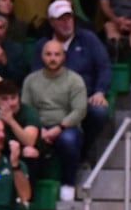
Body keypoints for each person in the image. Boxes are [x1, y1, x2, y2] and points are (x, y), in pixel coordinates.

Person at [35, 0, 111, 150]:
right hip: (54, 103)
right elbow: (36, 78)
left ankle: (84, 149)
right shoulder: (43, 45)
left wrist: (99, 91)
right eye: (61, 19)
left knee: (99, 112)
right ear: (51, 22)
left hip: (85, 98)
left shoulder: (88, 39)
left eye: (69, 18)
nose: (66, 23)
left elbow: (104, 66)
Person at [21, 39, 88, 201]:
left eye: (57, 54)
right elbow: (26, 109)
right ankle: (26, 195)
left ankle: (68, 184)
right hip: (38, 127)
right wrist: (38, 129)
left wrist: (58, 128)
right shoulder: (31, 80)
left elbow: (80, 110)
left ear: (63, 56)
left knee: (68, 140)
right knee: (23, 144)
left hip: (66, 127)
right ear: (41, 56)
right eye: (48, 54)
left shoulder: (75, 80)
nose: (53, 58)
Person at [0, 80, 41, 181]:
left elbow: (29, 142)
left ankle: (27, 194)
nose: (10, 103)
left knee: (29, 151)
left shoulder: (29, 112)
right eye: (5, 99)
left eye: (13, 98)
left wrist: (10, 121)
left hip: (24, 153)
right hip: (3, 152)